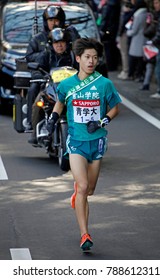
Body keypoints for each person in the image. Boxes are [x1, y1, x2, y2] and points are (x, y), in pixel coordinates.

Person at [46, 38, 122, 251]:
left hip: (96, 142)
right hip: (77, 143)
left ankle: (78, 193)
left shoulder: (104, 84)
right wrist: (53, 118)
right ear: (78, 58)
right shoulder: (67, 84)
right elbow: (60, 102)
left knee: (90, 190)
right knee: (83, 187)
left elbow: (115, 108)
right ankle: (84, 235)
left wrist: (102, 121)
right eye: (87, 57)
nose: (91, 61)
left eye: (95, 58)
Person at [25, 5, 80, 132]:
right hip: (45, 76)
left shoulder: (69, 36)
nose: (54, 23)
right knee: (34, 89)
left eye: (57, 20)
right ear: (46, 22)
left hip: (68, 79)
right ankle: (32, 124)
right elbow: (29, 57)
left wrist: (74, 37)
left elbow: (80, 54)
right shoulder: (38, 39)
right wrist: (46, 52)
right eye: (51, 20)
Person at [28, 27, 79, 145]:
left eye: (62, 42)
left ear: (67, 43)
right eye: (56, 42)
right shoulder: (46, 55)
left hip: (72, 90)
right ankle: (35, 133)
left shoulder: (74, 56)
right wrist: (38, 75)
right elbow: (37, 69)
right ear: (51, 44)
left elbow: (82, 69)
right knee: (38, 104)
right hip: (50, 88)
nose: (59, 45)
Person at [140, 0, 160, 91]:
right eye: (154, 3)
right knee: (152, 66)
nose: (155, 5)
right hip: (157, 43)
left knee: (158, 68)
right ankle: (148, 84)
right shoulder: (157, 15)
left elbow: (148, 32)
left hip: (157, 44)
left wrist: (148, 24)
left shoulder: (159, 16)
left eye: (157, 3)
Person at [126, 0, 148, 81]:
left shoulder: (137, 15)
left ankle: (131, 74)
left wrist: (128, 32)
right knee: (141, 59)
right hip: (145, 38)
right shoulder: (148, 14)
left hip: (136, 39)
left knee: (133, 58)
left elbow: (134, 29)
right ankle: (139, 75)